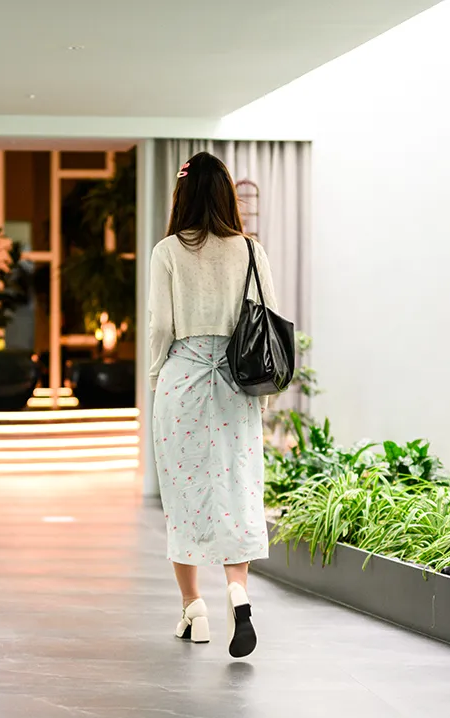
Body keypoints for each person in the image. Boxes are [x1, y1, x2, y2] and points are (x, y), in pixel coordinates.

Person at [147, 152, 280, 659]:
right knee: (236, 486)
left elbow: (162, 327)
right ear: (227, 194)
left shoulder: (167, 252)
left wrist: (159, 375)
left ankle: (193, 607)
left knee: (184, 493)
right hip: (237, 381)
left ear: (183, 195)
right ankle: (238, 592)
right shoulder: (250, 251)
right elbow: (264, 319)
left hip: (183, 376)